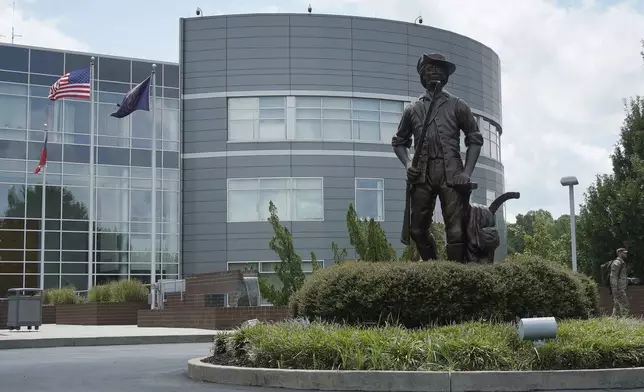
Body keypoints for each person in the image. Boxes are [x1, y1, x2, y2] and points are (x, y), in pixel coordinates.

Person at [392, 53, 484, 262]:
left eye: (439, 69)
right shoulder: (412, 109)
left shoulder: (457, 105)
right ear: (422, 76)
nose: (434, 72)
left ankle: (455, 275)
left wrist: (466, 172)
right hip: (422, 174)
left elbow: (475, 138)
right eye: (429, 69)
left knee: (456, 231)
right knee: (417, 231)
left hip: (451, 173)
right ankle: (434, 270)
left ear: (445, 76)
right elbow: (399, 142)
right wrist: (407, 164)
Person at [610, 248, 630, 317]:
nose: (626, 254)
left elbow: (621, 276)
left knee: (617, 308)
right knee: (625, 306)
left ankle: (613, 323)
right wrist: (615, 289)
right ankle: (625, 323)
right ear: (619, 253)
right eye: (624, 253)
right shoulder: (617, 263)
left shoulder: (622, 263)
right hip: (618, 289)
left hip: (620, 288)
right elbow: (613, 276)